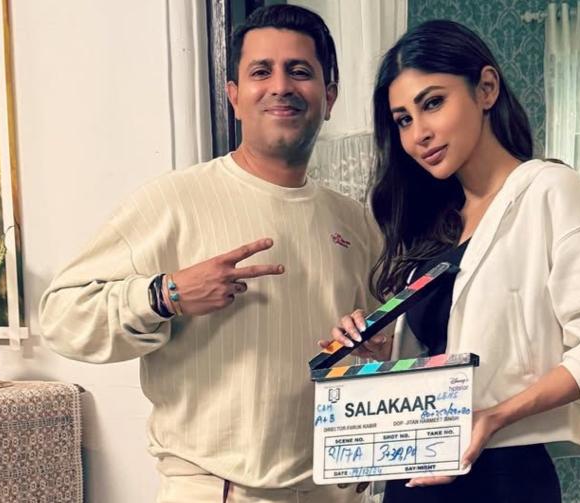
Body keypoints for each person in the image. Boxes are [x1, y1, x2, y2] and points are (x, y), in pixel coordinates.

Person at [39, 5, 381, 503]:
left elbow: (377, 351)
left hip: (333, 492)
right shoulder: (173, 201)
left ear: (329, 97)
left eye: (299, 71)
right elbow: (61, 317)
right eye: (261, 72)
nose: (280, 86)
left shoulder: (354, 223)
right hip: (215, 491)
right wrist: (165, 294)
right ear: (234, 96)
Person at [325, 20, 580, 502]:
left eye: (432, 103)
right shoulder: (438, 223)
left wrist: (497, 415)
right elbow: (461, 349)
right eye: (403, 120)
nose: (419, 134)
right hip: (417, 476)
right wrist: (382, 347)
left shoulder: (551, 192)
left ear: (486, 88)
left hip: (503, 476)